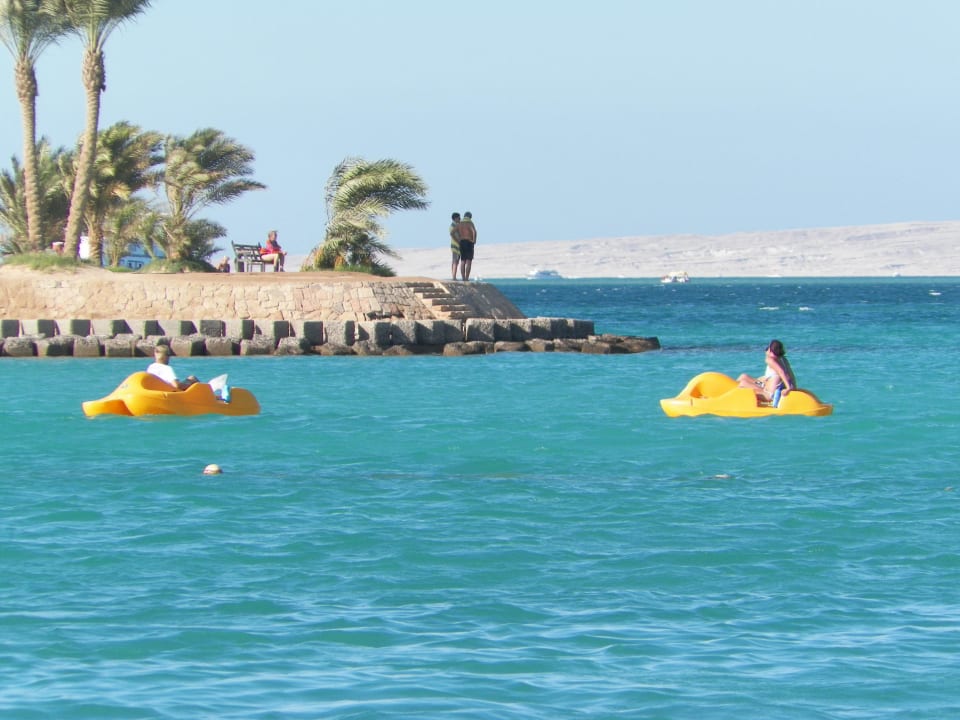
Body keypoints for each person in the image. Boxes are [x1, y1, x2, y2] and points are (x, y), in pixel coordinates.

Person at [457, 211, 477, 281]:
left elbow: (453, 232)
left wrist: (458, 239)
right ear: (470, 217)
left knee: (462, 261)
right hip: (469, 242)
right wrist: (474, 240)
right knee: (469, 261)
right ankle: (466, 278)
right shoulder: (470, 223)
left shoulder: (460, 223)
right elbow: (474, 231)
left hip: (462, 242)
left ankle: (463, 278)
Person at [449, 212, 462, 280]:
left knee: (456, 261)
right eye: (459, 217)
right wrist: (458, 241)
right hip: (455, 246)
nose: (460, 219)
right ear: (455, 218)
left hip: (459, 246)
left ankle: (454, 276)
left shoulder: (457, 225)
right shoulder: (453, 226)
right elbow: (452, 235)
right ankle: (454, 276)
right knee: (455, 261)